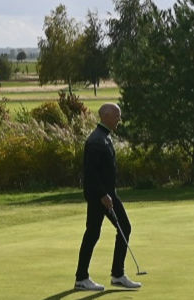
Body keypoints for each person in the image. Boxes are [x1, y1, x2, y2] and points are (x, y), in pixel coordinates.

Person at [75, 103, 142, 291]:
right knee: (94, 233)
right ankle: (83, 278)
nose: (119, 120)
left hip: (107, 194)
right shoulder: (97, 140)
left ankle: (117, 274)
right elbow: (91, 173)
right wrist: (103, 194)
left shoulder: (103, 137)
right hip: (100, 196)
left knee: (120, 229)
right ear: (106, 116)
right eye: (117, 116)